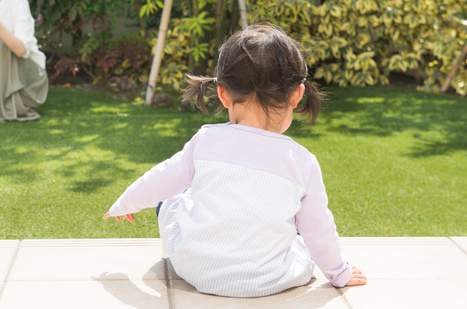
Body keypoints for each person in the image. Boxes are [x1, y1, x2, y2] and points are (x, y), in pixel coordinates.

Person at [103, 24, 367, 298]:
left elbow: (161, 179)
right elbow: (318, 228)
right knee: (300, 232)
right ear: (297, 95)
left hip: (197, 270)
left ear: (223, 94)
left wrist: (126, 203)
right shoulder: (302, 162)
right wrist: (339, 273)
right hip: (272, 279)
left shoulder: (206, 141)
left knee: (168, 201)